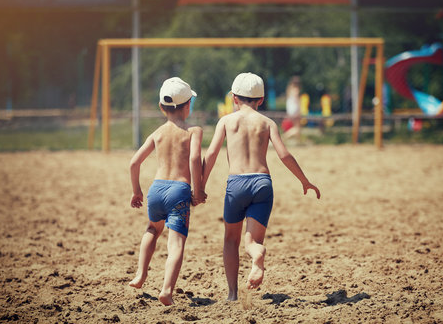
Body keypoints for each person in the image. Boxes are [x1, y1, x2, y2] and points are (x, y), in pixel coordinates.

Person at [202, 72, 321, 301]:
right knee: (252, 242)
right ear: (262, 99)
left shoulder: (226, 121)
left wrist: (201, 187)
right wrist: (304, 180)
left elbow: (212, 154)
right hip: (262, 184)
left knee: (230, 240)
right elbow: (284, 155)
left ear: (234, 98)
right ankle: (257, 254)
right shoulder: (267, 123)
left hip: (236, 184)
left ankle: (232, 293)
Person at [128, 77, 206, 306]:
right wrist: (197, 189)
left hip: (156, 189)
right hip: (179, 190)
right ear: (188, 105)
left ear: (162, 107)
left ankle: (141, 274)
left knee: (152, 229)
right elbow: (194, 158)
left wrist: (136, 191)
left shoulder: (157, 133)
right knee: (176, 244)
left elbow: (134, 163)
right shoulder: (194, 131)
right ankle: (166, 290)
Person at [283, 76, 302, 141]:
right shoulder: (296, 90)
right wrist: (299, 111)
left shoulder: (289, 89)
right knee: (297, 129)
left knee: (296, 128)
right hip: (295, 111)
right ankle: (284, 137)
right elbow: (297, 101)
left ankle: (298, 141)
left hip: (290, 110)